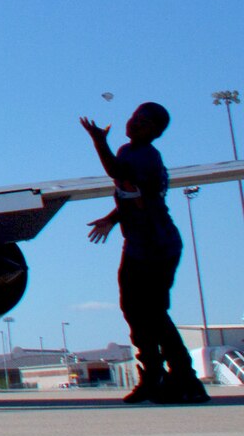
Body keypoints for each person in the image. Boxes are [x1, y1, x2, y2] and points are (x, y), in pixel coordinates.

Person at [82, 103, 208, 404]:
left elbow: (120, 175)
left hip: (155, 246)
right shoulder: (133, 152)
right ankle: (155, 376)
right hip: (142, 245)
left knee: (151, 313)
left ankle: (183, 380)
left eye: (143, 121)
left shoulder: (142, 156)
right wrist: (111, 220)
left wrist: (99, 142)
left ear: (154, 130)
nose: (134, 123)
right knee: (136, 311)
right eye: (134, 117)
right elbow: (131, 196)